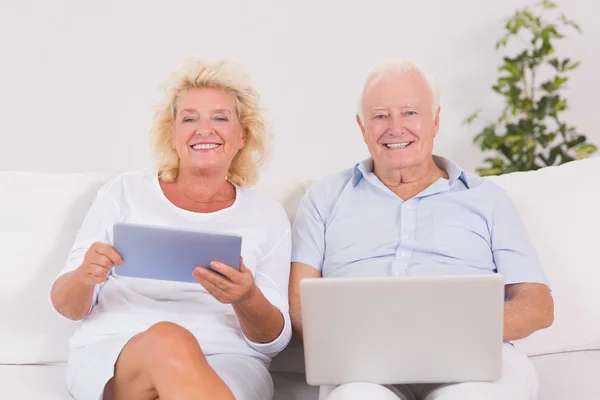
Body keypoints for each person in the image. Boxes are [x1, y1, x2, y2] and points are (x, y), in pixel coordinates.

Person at [289, 60, 554, 400]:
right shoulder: (324, 197)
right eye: (380, 115)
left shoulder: (487, 199)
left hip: (473, 360)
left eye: (410, 113)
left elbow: (538, 304)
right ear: (362, 127)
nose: (395, 128)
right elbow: (298, 307)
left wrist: (463, 331)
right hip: (363, 367)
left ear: (436, 120)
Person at [50, 58, 292, 400]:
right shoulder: (125, 192)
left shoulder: (267, 216)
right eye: (189, 118)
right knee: (170, 340)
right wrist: (85, 276)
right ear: (173, 134)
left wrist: (246, 296)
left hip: (228, 360)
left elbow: (273, 339)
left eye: (220, 118)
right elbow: (66, 306)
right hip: (121, 352)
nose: (203, 129)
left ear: (242, 136)